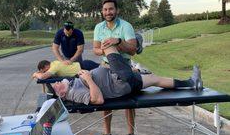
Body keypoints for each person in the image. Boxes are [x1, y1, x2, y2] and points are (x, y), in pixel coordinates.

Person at [51, 44, 203, 109]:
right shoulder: (73, 94)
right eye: (56, 85)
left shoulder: (72, 85)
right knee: (108, 46)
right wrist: (89, 78)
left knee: (155, 79)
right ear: (61, 94)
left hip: (122, 81)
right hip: (120, 82)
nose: (57, 82)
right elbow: (97, 99)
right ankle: (136, 47)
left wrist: (90, 75)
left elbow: (99, 81)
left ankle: (191, 82)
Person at [93, 0, 138, 135]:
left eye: (111, 9)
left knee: (129, 101)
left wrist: (118, 42)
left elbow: (132, 49)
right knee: (105, 101)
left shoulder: (126, 26)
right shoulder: (99, 27)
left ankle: (131, 134)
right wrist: (105, 48)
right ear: (102, 11)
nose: (108, 12)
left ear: (116, 10)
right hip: (105, 66)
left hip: (124, 66)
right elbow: (95, 49)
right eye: (105, 10)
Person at [32, 59, 99, 80]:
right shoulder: (54, 63)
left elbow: (42, 77)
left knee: (107, 70)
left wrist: (35, 74)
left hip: (85, 67)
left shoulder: (54, 67)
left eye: (45, 71)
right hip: (84, 65)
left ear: (46, 66)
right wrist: (39, 72)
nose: (46, 72)